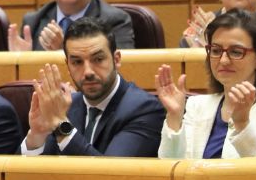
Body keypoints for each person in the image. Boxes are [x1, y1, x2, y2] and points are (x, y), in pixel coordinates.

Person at [156, 10, 256, 158]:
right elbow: (173, 169)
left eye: (236, 52)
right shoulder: (197, 105)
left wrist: (242, 124)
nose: (223, 60)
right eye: (215, 50)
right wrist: (174, 117)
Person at [22, 18, 163, 157]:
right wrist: (37, 136)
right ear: (68, 65)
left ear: (116, 60)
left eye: (98, 59)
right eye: (77, 62)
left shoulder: (144, 109)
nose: (88, 71)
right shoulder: (66, 106)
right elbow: (33, 176)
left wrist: (61, 126)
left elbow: (109, 174)